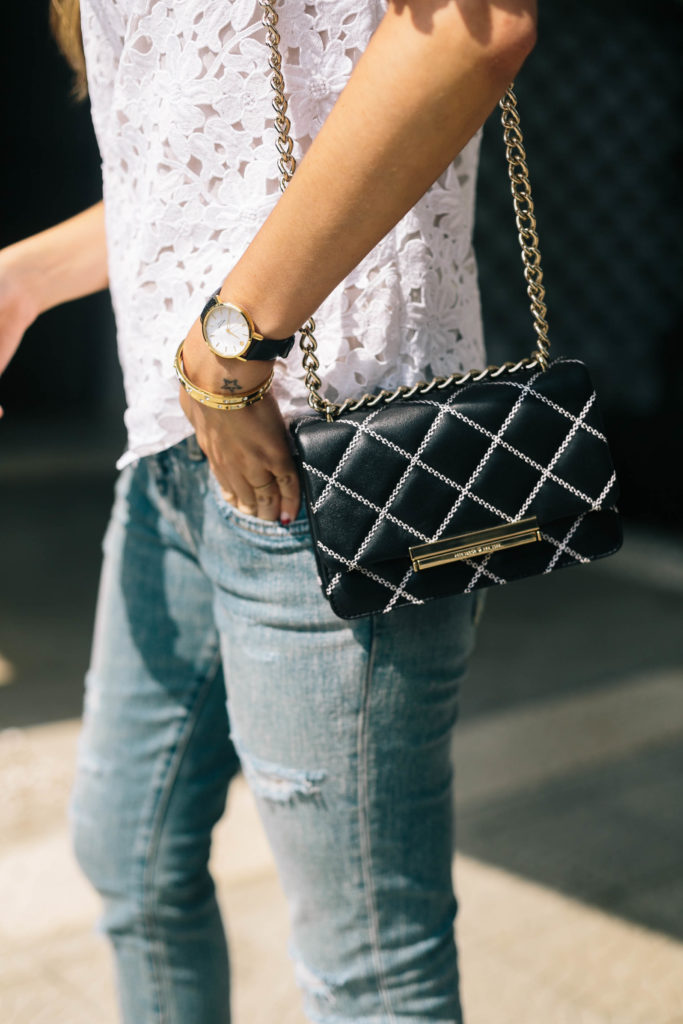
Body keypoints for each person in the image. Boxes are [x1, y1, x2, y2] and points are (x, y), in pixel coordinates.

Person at [0, 1, 536, 1020]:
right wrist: (21, 281)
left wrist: (232, 350)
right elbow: (198, 173)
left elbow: (473, 30)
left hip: (335, 462)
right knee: (130, 856)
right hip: (175, 444)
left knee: (367, 969)